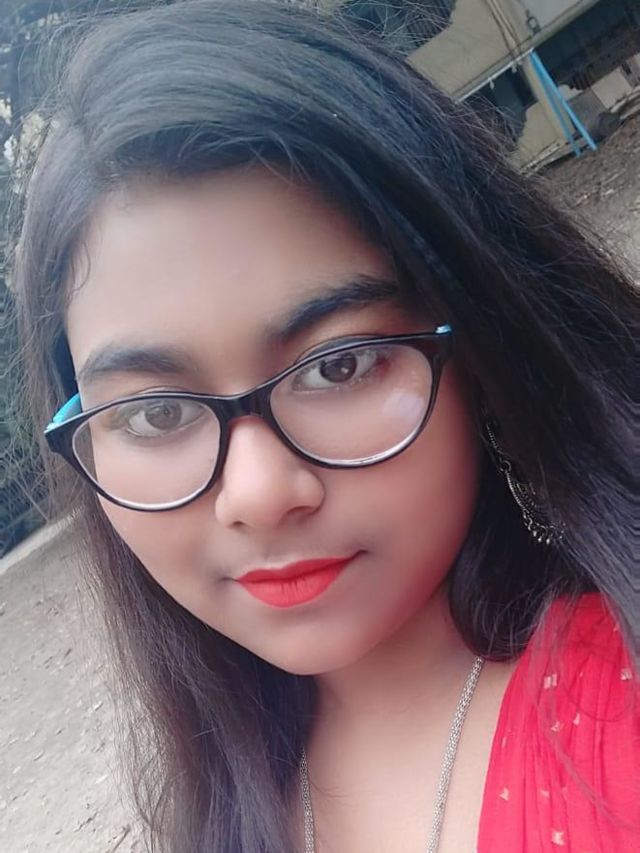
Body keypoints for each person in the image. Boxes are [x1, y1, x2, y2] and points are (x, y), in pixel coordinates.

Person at [10, 1, 638, 851]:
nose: (259, 493)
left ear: (483, 346)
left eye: (338, 365)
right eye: (155, 413)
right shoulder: (220, 801)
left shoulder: (615, 724)